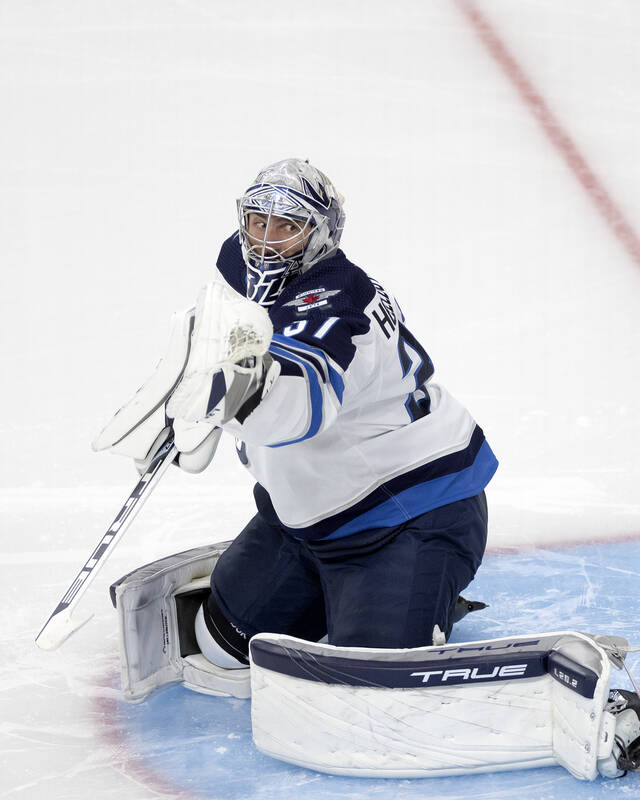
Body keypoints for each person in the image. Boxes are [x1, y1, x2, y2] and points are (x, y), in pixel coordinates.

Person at [142, 158, 498, 669]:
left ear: (320, 233)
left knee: (371, 680)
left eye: (287, 226)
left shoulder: (336, 302)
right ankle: (346, 600)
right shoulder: (240, 267)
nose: (265, 239)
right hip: (308, 515)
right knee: (221, 645)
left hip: (409, 514)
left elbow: (298, 406)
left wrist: (233, 397)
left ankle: (416, 601)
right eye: (256, 220)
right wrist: (188, 402)